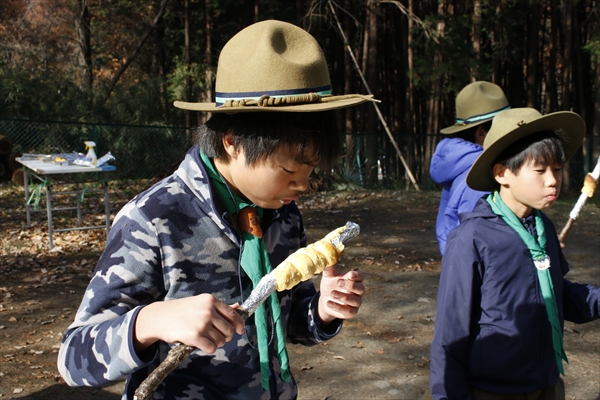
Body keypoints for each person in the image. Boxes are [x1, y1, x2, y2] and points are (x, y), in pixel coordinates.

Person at [58, 20, 372, 400]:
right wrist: (151, 320)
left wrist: (322, 309)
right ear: (232, 142)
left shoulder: (281, 213)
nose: (302, 185)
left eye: (311, 170)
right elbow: (73, 359)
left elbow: (283, 320)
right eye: (289, 169)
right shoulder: (155, 219)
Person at [429, 107, 600, 399]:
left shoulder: (542, 226)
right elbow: (450, 335)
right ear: (502, 173)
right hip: (493, 390)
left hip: (547, 382)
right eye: (540, 170)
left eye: (557, 169)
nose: (552, 180)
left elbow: (558, 296)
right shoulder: (471, 238)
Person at [430, 81, 510, 255]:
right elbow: (477, 240)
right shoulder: (477, 175)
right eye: (503, 127)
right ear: (482, 133)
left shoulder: (463, 161)